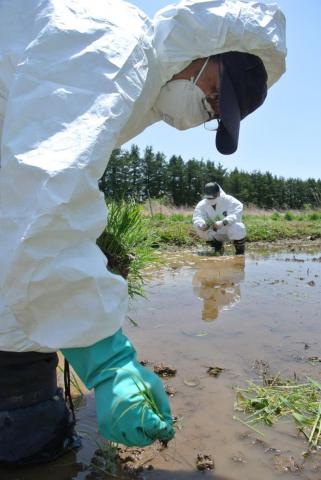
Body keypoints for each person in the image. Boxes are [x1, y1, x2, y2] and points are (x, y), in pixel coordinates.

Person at [0, 0, 286, 464]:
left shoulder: (136, 80)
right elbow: (45, 197)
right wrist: (109, 361)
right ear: (205, 45)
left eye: (215, 112)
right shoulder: (110, 47)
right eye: (214, 93)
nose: (205, 112)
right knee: (29, 427)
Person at [193, 183, 246, 255]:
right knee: (198, 228)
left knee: (238, 227)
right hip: (214, 233)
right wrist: (201, 224)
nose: (211, 199)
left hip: (228, 231)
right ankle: (216, 246)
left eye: (213, 197)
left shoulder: (229, 200)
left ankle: (240, 253)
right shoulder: (202, 204)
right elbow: (197, 217)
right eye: (208, 197)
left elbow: (236, 213)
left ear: (218, 193)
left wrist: (223, 222)